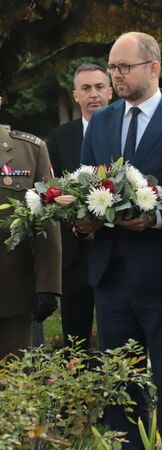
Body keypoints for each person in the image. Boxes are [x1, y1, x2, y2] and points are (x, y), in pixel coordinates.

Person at [78, 32, 162, 447]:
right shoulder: (101, 121)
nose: (116, 75)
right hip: (112, 274)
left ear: (153, 67)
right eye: (112, 67)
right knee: (120, 383)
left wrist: (155, 218)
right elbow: (86, 184)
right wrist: (82, 220)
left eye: (124, 67)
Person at [47, 63, 113, 350]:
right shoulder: (59, 138)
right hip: (74, 256)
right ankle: (76, 391)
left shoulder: (125, 132)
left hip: (116, 247)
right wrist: (78, 227)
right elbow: (50, 194)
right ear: (75, 95)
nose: (93, 94)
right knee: (74, 338)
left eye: (99, 87)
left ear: (110, 92)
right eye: (86, 88)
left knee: (119, 336)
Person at [0, 96, 62, 358]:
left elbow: (47, 218)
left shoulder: (30, 149)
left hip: (11, 291)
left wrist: (48, 285)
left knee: (15, 386)